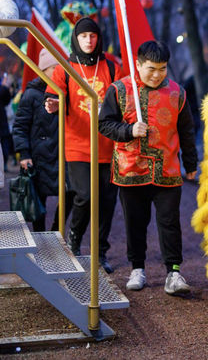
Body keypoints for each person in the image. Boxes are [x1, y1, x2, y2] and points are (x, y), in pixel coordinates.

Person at [99, 40, 197, 295]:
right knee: (135, 221)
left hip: (168, 169)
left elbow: (186, 130)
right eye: (151, 68)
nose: (157, 74)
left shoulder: (178, 93)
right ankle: (137, 268)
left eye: (163, 68)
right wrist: (129, 130)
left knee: (169, 222)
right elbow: (105, 124)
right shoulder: (118, 90)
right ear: (138, 64)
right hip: (131, 170)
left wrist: (191, 163)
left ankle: (174, 272)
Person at [44, 17, 122, 274]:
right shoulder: (64, 68)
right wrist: (52, 104)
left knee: (106, 202)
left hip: (107, 146)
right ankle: (75, 241)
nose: (88, 40)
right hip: (76, 145)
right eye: (83, 36)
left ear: (98, 38)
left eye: (92, 36)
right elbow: (52, 97)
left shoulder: (111, 67)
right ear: (75, 39)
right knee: (85, 196)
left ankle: (99, 252)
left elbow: (125, 98)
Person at [13, 49, 75, 232]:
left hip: (65, 154)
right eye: (55, 67)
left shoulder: (68, 91)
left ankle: (57, 228)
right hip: (39, 157)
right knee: (38, 197)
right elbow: (20, 126)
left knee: (71, 192)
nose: (59, 71)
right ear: (44, 69)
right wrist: (24, 154)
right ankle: (39, 234)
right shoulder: (31, 94)